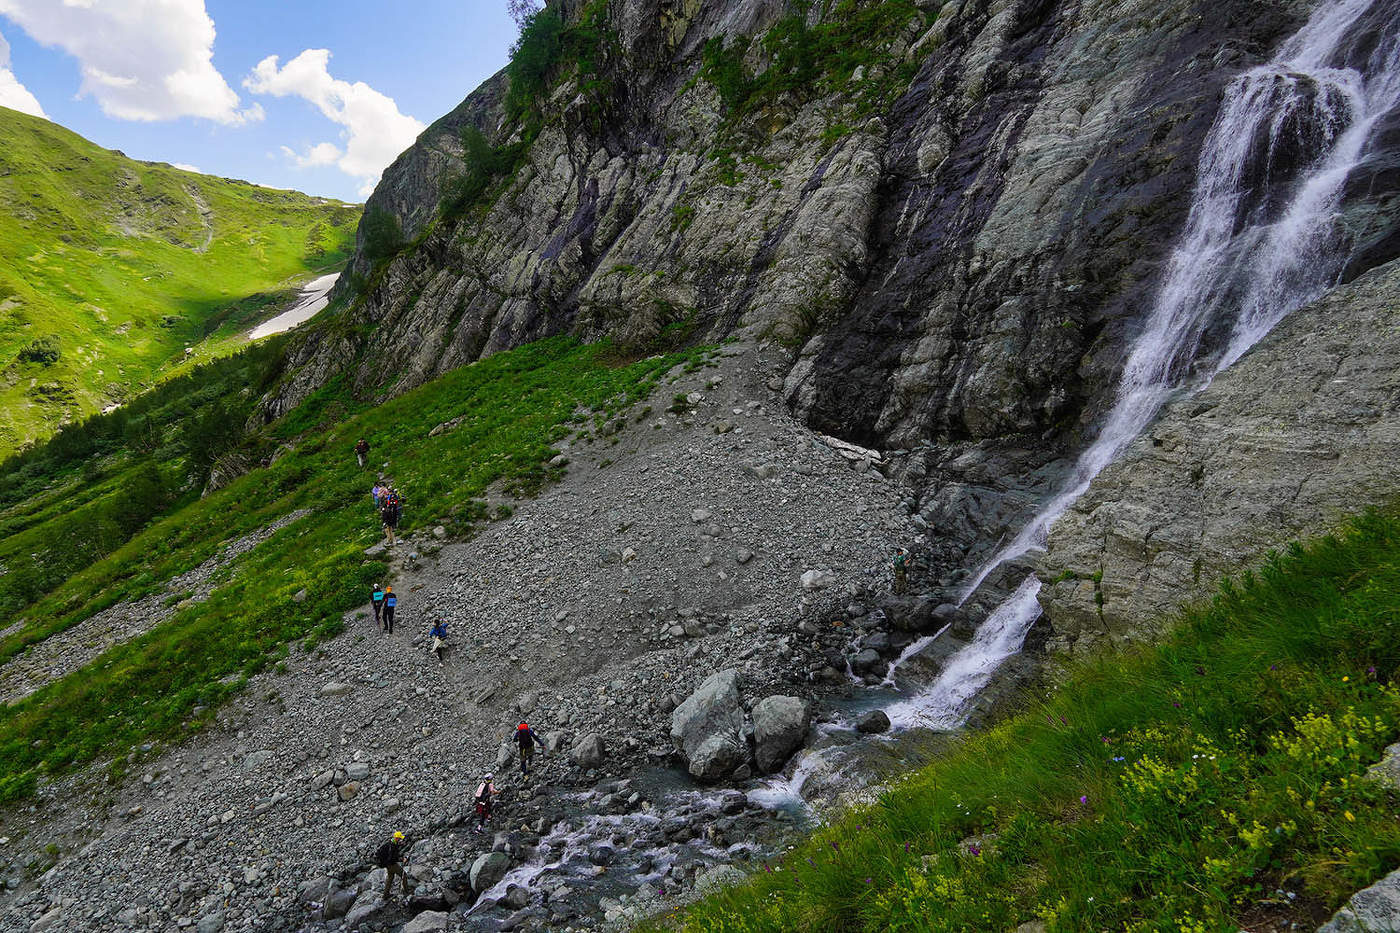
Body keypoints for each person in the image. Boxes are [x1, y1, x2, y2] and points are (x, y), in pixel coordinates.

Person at [374, 830, 409, 901]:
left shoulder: (390, 844)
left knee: (390, 877)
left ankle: (385, 895)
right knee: (404, 875)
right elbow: (393, 858)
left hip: (387, 864)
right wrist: (402, 859)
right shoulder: (392, 846)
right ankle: (407, 892)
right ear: (396, 838)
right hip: (391, 864)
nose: (401, 840)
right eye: (400, 838)